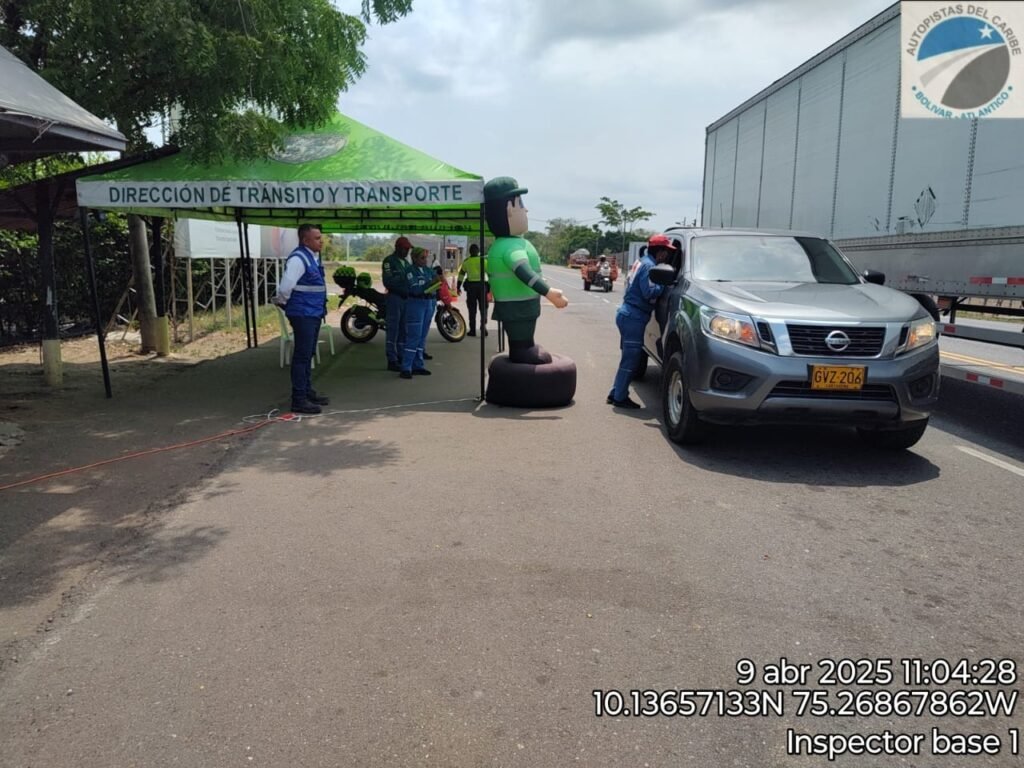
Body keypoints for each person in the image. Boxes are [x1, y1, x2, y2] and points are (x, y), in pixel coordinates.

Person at [484, 176, 568, 363]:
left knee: (524, 333)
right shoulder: (510, 248)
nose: (526, 210)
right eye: (520, 204)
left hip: (520, 305)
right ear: (509, 210)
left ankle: (526, 346)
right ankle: (522, 350)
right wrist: (549, 292)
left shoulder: (507, 244)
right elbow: (523, 272)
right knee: (520, 334)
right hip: (518, 306)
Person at [607, 233, 677, 409]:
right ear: (660, 251)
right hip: (634, 317)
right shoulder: (649, 267)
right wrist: (665, 284)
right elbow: (649, 292)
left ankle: (615, 392)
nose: (667, 255)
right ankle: (620, 397)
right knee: (630, 360)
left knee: (627, 359)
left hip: (629, 314)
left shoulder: (642, 262)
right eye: (666, 251)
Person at [272, 223, 330, 415]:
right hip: (303, 313)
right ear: (305, 240)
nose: (321, 241)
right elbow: (285, 288)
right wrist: (284, 303)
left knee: (308, 354)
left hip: (312, 312)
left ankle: (307, 392)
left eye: (320, 237)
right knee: (302, 357)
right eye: (317, 238)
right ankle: (299, 399)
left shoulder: (311, 257)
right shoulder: (299, 259)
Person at [399, 247, 439, 378]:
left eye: (426, 257)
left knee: (422, 337)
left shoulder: (427, 270)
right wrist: (430, 283)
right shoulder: (410, 271)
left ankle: (418, 365)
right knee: (413, 336)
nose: (425, 260)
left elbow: (435, 278)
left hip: (428, 303)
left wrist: (438, 280)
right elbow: (415, 289)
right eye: (422, 258)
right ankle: (406, 367)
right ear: (414, 258)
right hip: (415, 304)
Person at [382, 236, 412, 371]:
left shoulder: (406, 263)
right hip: (394, 298)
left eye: (408, 249)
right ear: (397, 248)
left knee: (403, 329)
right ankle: (391, 359)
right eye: (405, 249)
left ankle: (401, 355)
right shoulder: (389, 261)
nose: (407, 251)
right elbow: (388, 281)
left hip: (406, 299)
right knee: (393, 329)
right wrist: (402, 280)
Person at [457, 243, 489, 336]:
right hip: (482, 286)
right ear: (478, 251)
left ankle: (472, 330)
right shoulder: (483, 261)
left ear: (470, 252)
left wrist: (458, 287)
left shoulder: (466, 262)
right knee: (483, 308)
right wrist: (490, 287)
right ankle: (483, 327)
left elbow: (461, 275)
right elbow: (490, 273)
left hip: (471, 287)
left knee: (472, 309)